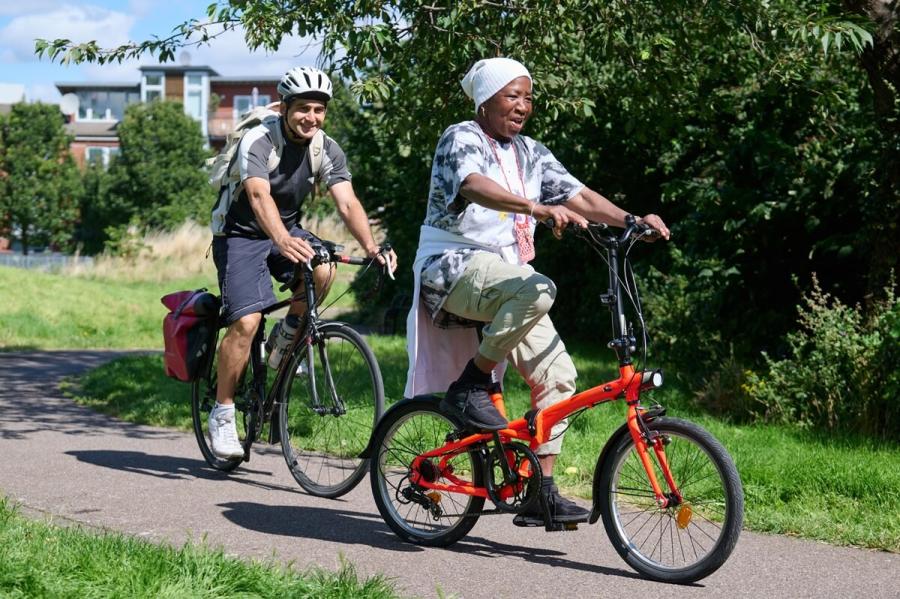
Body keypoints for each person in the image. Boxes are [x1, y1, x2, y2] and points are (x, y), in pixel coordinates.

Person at [404, 57, 670, 526]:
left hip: (505, 275)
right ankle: (470, 385)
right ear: (485, 101)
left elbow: (581, 197)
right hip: (452, 267)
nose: (523, 105)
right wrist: (535, 207)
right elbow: (473, 185)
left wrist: (632, 220)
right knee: (540, 287)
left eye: (528, 97)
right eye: (513, 95)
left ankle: (539, 491)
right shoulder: (461, 137)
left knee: (559, 376)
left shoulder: (531, 152)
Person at [208, 66, 397, 459]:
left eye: (319, 109)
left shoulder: (325, 147)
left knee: (324, 267)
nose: (312, 117)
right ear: (285, 107)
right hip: (241, 235)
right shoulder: (260, 139)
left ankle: (283, 341)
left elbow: (346, 201)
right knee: (246, 321)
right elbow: (258, 197)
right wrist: (282, 240)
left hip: (287, 229)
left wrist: (373, 247)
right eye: (304, 109)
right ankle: (222, 412)